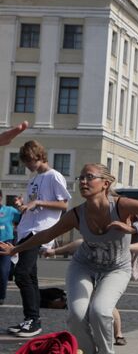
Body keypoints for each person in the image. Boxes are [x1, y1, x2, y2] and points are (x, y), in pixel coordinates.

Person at [0, 163, 138, 354]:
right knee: (76, 314)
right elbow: (46, 235)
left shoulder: (121, 205)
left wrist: (135, 229)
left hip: (116, 267)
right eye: (81, 177)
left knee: (100, 311)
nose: (83, 181)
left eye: (89, 177)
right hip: (84, 266)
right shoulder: (77, 214)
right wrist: (16, 248)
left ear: (105, 183)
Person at [42, 216, 138, 347]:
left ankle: (116, 334)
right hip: (94, 267)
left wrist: (119, 245)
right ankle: (111, 336)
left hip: (118, 270)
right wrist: (55, 251)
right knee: (98, 305)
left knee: (103, 306)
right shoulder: (113, 224)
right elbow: (83, 242)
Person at [8, 140, 71, 338]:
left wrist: (37, 202)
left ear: (39, 156)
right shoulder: (35, 178)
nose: (27, 165)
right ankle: (32, 320)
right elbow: (34, 205)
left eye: (29, 161)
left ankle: (33, 320)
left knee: (22, 274)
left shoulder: (54, 176)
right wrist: (23, 205)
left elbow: (64, 205)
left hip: (40, 231)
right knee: (30, 276)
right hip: (28, 229)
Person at [0, 189, 21, 306]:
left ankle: (1, 296)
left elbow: (23, 218)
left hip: (5, 244)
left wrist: (20, 205)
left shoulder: (9, 210)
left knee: (3, 271)